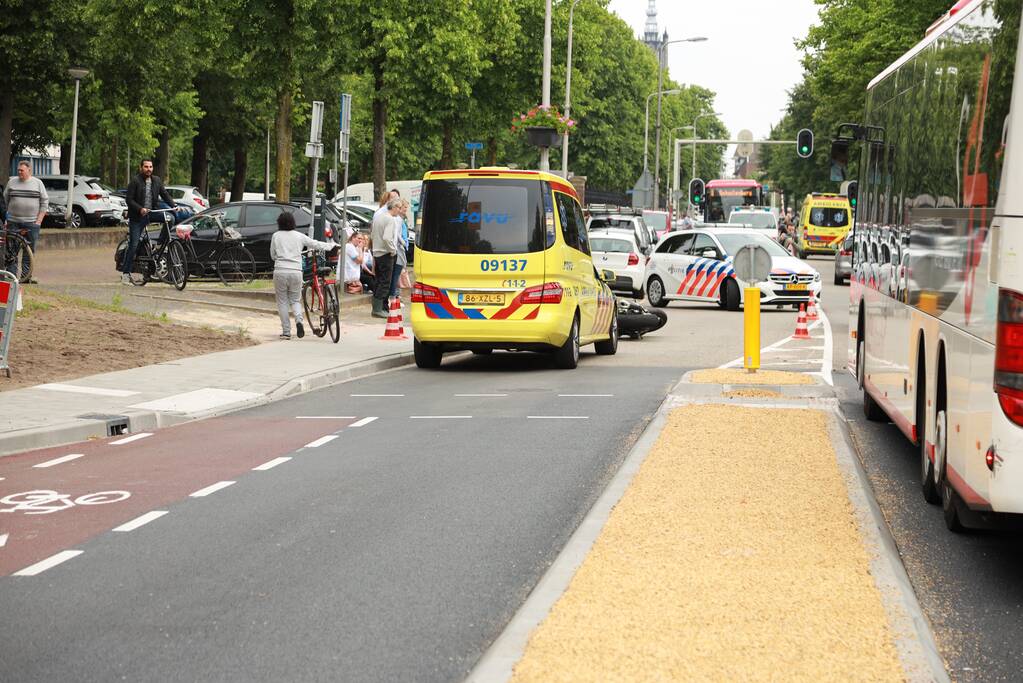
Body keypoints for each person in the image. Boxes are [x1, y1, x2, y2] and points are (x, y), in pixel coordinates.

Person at [270, 211, 338, 340]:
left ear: (279, 223)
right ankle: (299, 321)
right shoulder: (299, 236)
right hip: (296, 271)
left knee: (282, 301)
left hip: (280, 270)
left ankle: (286, 332)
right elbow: (315, 243)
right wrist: (331, 246)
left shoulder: (276, 236)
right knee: (295, 300)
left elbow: (273, 255)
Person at [122, 159, 177, 284]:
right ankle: (126, 273)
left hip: (152, 213)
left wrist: (174, 205)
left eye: (150, 167)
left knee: (170, 218)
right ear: (141, 167)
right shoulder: (135, 181)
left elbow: (165, 194)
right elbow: (129, 200)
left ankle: (159, 243)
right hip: (137, 216)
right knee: (134, 245)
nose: (149, 169)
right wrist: (140, 209)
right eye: (146, 167)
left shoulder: (156, 180)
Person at [3, 160, 48, 281]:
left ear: (29, 170)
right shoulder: (12, 182)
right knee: (11, 251)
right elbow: (5, 200)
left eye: (22, 170)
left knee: (29, 252)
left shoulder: (38, 183)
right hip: (13, 221)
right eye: (18, 170)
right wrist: (5, 218)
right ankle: (11, 277)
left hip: (31, 223)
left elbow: (44, 202)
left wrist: (39, 221)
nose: (19, 172)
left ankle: (26, 277)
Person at [370, 197, 401, 318]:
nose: (399, 210)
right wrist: (392, 250)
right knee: (385, 282)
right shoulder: (390, 219)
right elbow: (387, 238)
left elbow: (372, 235)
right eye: (399, 207)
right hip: (385, 254)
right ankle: (378, 309)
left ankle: (376, 307)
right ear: (394, 207)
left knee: (378, 281)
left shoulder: (378, 218)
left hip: (377, 252)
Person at [389, 198, 410, 299]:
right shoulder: (397, 219)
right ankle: (393, 295)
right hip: (398, 248)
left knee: (397, 273)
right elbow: (397, 234)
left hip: (400, 248)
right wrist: (403, 243)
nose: (405, 209)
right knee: (396, 273)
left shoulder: (401, 219)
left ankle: (394, 294)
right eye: (404, 207)